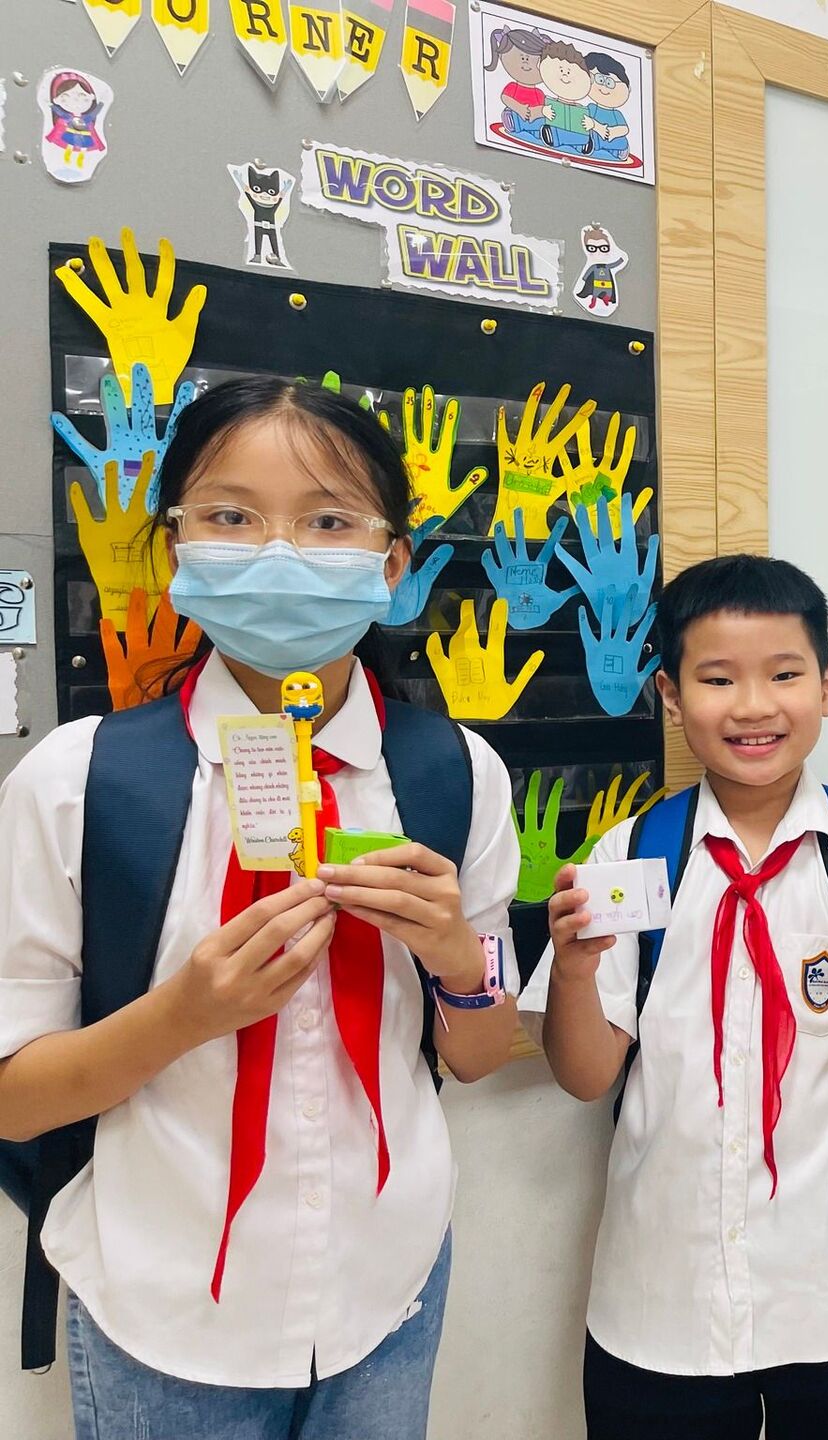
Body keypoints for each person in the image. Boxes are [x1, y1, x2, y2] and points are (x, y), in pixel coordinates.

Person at [0, 377, 524, 1438]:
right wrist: (183, 1016)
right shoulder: (76, 781)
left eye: (328, 522)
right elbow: (13, 1101)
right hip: (162, 1308)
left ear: (392, 565)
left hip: (387, 1291)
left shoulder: (458, 774)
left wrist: (462, 963)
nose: (279, 554)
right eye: (232, 516)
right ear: (177, 548)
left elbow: (478, 1052)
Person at [522, 555, 828, 1440]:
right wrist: (573, 971)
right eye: (718, 679)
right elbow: (587, 1076)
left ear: (827, 686)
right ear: (671, 696)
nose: (753, 705)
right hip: (663, 1300)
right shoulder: (630, 856)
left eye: (784, 675)